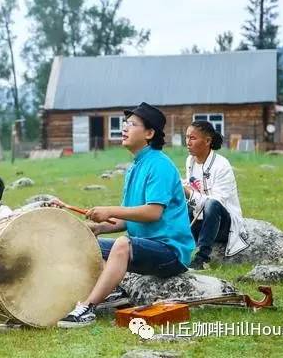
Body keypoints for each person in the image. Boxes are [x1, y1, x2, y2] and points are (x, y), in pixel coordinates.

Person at [57, 102, 195, 329]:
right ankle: (113, 293)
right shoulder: (134, 167)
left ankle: (87, 308)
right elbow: (126, 219)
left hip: (170, 252)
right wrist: (99, 228)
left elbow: (153, 212)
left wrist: (109, 210)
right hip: (143, 246)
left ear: (149, 133)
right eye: (124, 124)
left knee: (122, 245)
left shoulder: (159, 165)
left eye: (132, 124)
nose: (124, 128)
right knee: (86, 242)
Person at [183, 121, 248, 270]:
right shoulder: (190, 161)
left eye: (192, 138)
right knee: (178, 203)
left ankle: (202, 258)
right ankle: (177, 250)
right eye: (186, 137)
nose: (188, 142)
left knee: (211, 204)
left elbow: (216, 203)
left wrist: (188, 192)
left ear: (207, 141)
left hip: (223, 224)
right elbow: (193, 186)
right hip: (200, 219)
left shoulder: (222, 165)